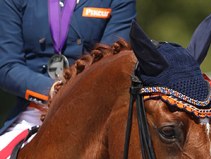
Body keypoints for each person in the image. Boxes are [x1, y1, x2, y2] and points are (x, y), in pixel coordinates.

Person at [0, 0, 136, 151]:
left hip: (92, 113)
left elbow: (110, 64)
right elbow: (7, 67)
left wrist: (70, 93)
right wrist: (52, 90)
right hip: (35, 112)